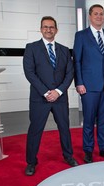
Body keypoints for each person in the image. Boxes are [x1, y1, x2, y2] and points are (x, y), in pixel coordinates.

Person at [23, 16, 78, 176]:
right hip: (40, 97)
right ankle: (31, 162)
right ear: (41, 29)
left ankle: (68, 156)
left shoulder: (64, 50)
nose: (48, 30)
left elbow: (70, 73)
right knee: (35, 130)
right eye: (45, 27)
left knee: (64, 128)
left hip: (60, 97)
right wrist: (46, 92)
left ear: (56, 30)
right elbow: (30, 73)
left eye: (51, 27)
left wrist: (58, 91)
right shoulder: (31, 48)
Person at [73, 4, 104, 163]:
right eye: (96, 14)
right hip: (89, 86)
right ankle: (88, 150)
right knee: (89, 119)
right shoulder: (81, 36)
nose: (99, 16)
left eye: (101, 14)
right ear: (90, 16)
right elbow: (76, 61)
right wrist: (79, 82)